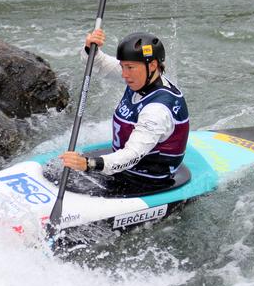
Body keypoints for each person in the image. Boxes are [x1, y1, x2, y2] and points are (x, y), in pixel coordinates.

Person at [59, 29, 189, 189]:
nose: (124, 74)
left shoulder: (157, 110)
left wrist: (88, 164)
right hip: (122, 169)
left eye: (129, 67)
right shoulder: (142, 79)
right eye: (122, 66)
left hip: (144, 179)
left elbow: (132, 155)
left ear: (153, 65)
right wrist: (90, 47)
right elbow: (99, 63)